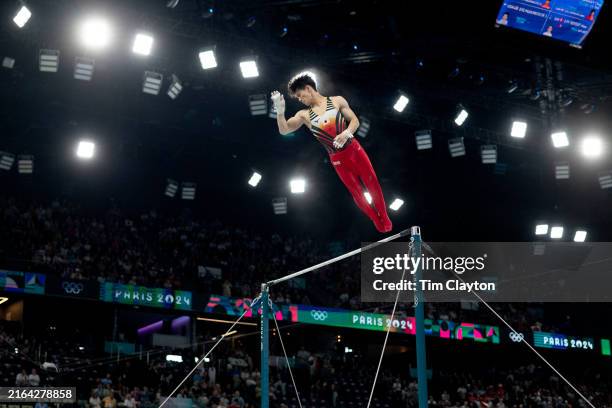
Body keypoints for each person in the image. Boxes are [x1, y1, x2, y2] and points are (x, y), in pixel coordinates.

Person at [271, 72, 393, 233]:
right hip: (338, 160)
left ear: (308, 88)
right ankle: (374, 218)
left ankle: (384, 216)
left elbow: (355, 121)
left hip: (355, 150)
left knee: (372, 184)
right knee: (356, 193)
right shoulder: (304, 115)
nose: (300, 100)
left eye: (300, 96)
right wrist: (280, 112)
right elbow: (284, 130)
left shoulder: (337, 101)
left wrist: (347, 133)